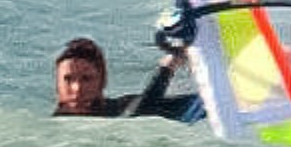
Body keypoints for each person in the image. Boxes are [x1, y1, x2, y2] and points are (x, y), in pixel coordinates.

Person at [52, 34, 202, 122]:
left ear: (102, 81)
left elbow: (138, 114)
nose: (77, 89)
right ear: (57, 84)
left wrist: (167, 67)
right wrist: (166, 68)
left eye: (86, 79)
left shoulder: (122, 107)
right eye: (67, 79)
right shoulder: (54, 131)